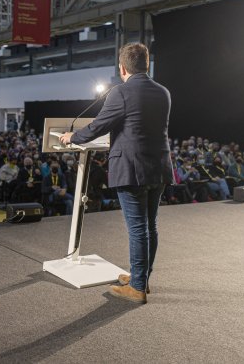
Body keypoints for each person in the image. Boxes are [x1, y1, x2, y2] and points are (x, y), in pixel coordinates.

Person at [59, 43, 173, 304]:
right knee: (149, 227)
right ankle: (142, 279)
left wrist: (71, 137)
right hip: (159, 168)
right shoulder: (163, 92)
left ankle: (136, 289)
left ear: (122, 68)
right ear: (146, 64)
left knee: (138, 230)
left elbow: (99, 126)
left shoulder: (121, 92)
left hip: (133, 169)